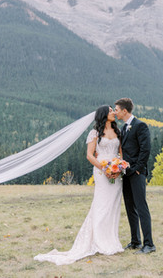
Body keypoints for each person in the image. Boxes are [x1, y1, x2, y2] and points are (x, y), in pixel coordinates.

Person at [34, 105, 124, 265]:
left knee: (113, 206)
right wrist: (105, 168)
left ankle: (111, 240)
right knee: (101, 206)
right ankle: (99, 241)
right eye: (110, 110)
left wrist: (119, 168)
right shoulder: (95, 133)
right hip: (101, 171)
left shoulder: (118, 132)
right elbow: (89, 155)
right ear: (104, 114)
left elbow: (120, 154)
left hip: (116, 174)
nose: (113, 112)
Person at [114, 98, 156, 254]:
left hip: (137, 173)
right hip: (126, 174)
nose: (115, 112)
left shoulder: (140, 126)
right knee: (130, 208)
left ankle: (149, 244)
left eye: (117, 109)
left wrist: (138, 169)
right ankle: (135, 241)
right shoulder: (124, 128)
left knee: (141, 207)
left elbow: (146, 149)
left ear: (125, 111)